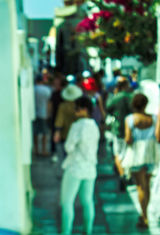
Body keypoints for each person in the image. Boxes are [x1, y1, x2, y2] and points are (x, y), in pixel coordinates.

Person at [60, 96, 100, 235]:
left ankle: (66, 232)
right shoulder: (94, 126)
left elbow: (68, 147)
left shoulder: (77, 126)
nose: (74, 111)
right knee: (88, 201)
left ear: (84, 109)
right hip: (90, 168)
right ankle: (87, 231)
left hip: (75, 167)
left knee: (67, 202)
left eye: (76, 108)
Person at [123, 93, 158, 228]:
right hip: (151, 154)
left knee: (140, 187)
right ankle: (146, 215)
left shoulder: (130, 119)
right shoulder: (153, 118)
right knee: (147, 186)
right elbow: (157, 136)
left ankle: (144, 217)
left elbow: (128, 139)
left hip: (137, 155)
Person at [106, 78, 132, 187]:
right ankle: (127, 174)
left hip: (118, 129)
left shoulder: (115, 98)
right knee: (127, 152)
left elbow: (108, 108)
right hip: (129, 129)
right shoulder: (131, 97)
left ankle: (122, 175)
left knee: (118, 154)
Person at [53, 84, 83, 163]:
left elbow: (59, 119)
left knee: (67, 153)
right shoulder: (80, 106)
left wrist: (57, 132)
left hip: (66, 133)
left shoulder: (62, 106)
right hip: (78, 132)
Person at [33, 74, 52, 156]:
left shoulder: (33, 89)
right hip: (44, 113)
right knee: (45, 133)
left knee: (35, 133)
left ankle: (36, 150)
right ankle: (44, 150)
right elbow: (49, 103)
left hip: (34, 113)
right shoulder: (47, 90)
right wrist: (49, 113)